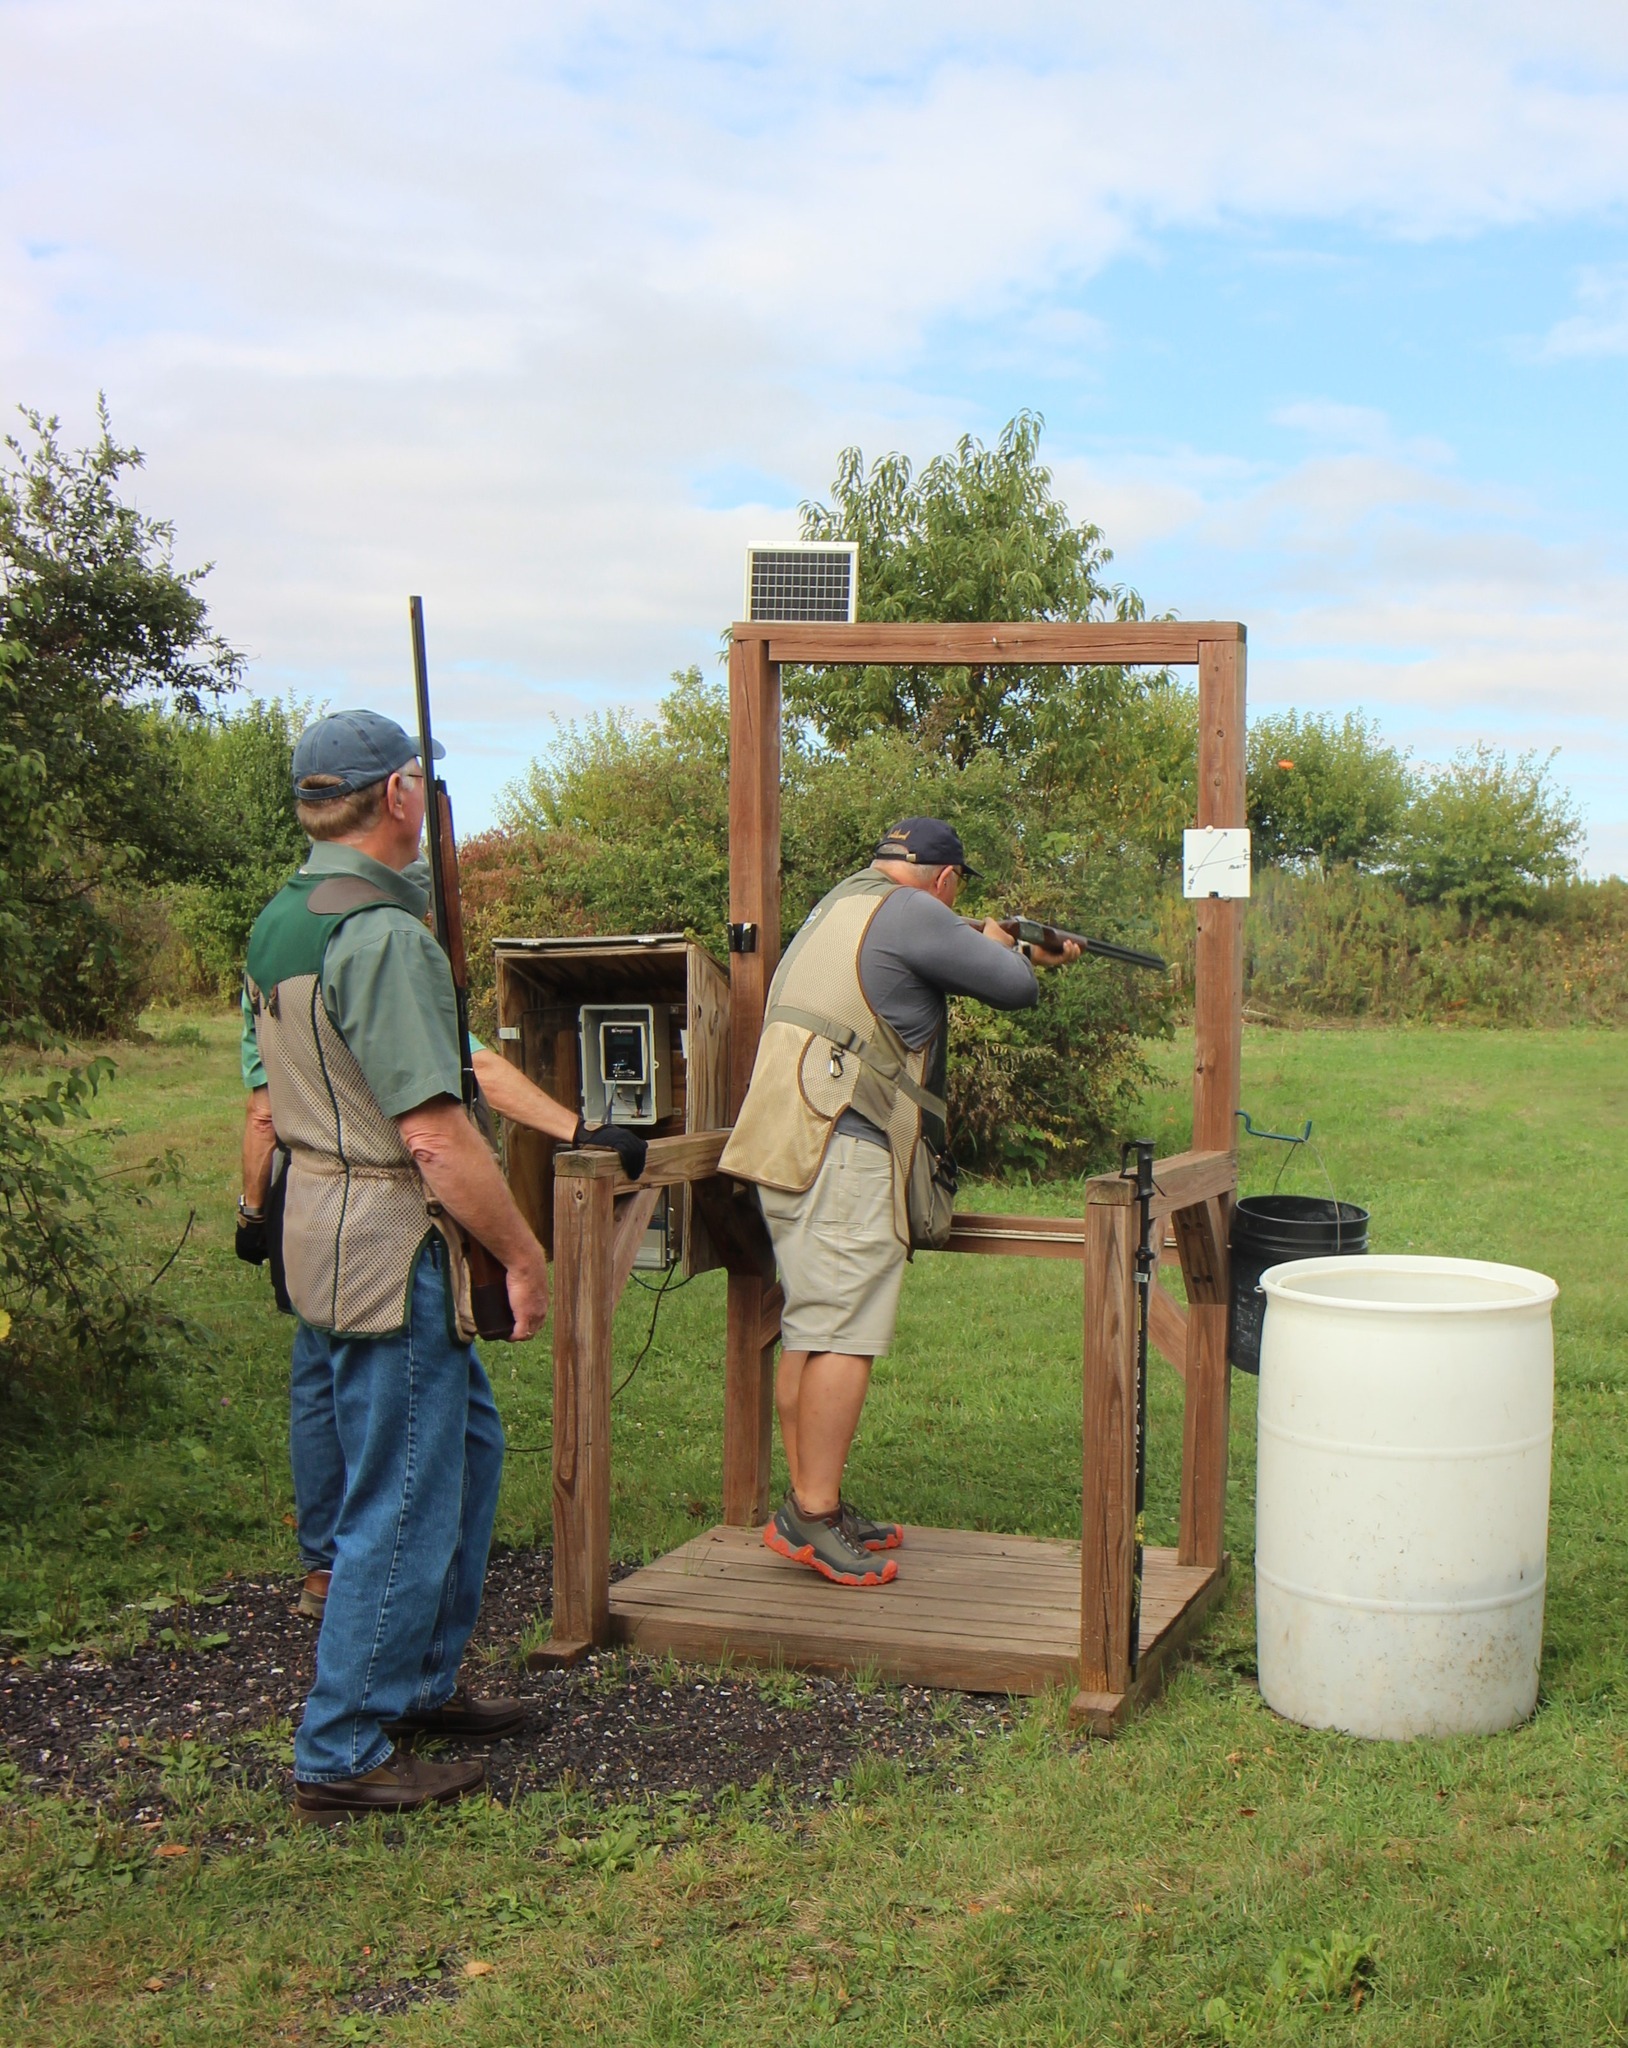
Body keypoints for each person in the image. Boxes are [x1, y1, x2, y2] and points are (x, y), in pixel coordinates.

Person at [236, 708, 634, 1822]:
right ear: (400, 794)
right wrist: (522, 1252)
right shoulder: (386, 935)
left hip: (324, 1219)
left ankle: (412, 1682)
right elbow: (435, 1132)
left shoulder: (283, 918)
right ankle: (342, 1745)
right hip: (386, 1236)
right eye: (425, 785)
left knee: (460, 1444)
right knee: (403, 1489)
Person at [718, 817, 1078, 1587]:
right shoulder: (915, 910)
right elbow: (1015, 989)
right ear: (946, 881)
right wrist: (1008, 947)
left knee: (813, 1324)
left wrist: (995, 940)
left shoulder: (841, 902)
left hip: (786, 1141)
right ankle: (811, 1518)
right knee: (845, 1332)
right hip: (840, 1147)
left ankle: (815, 1501)